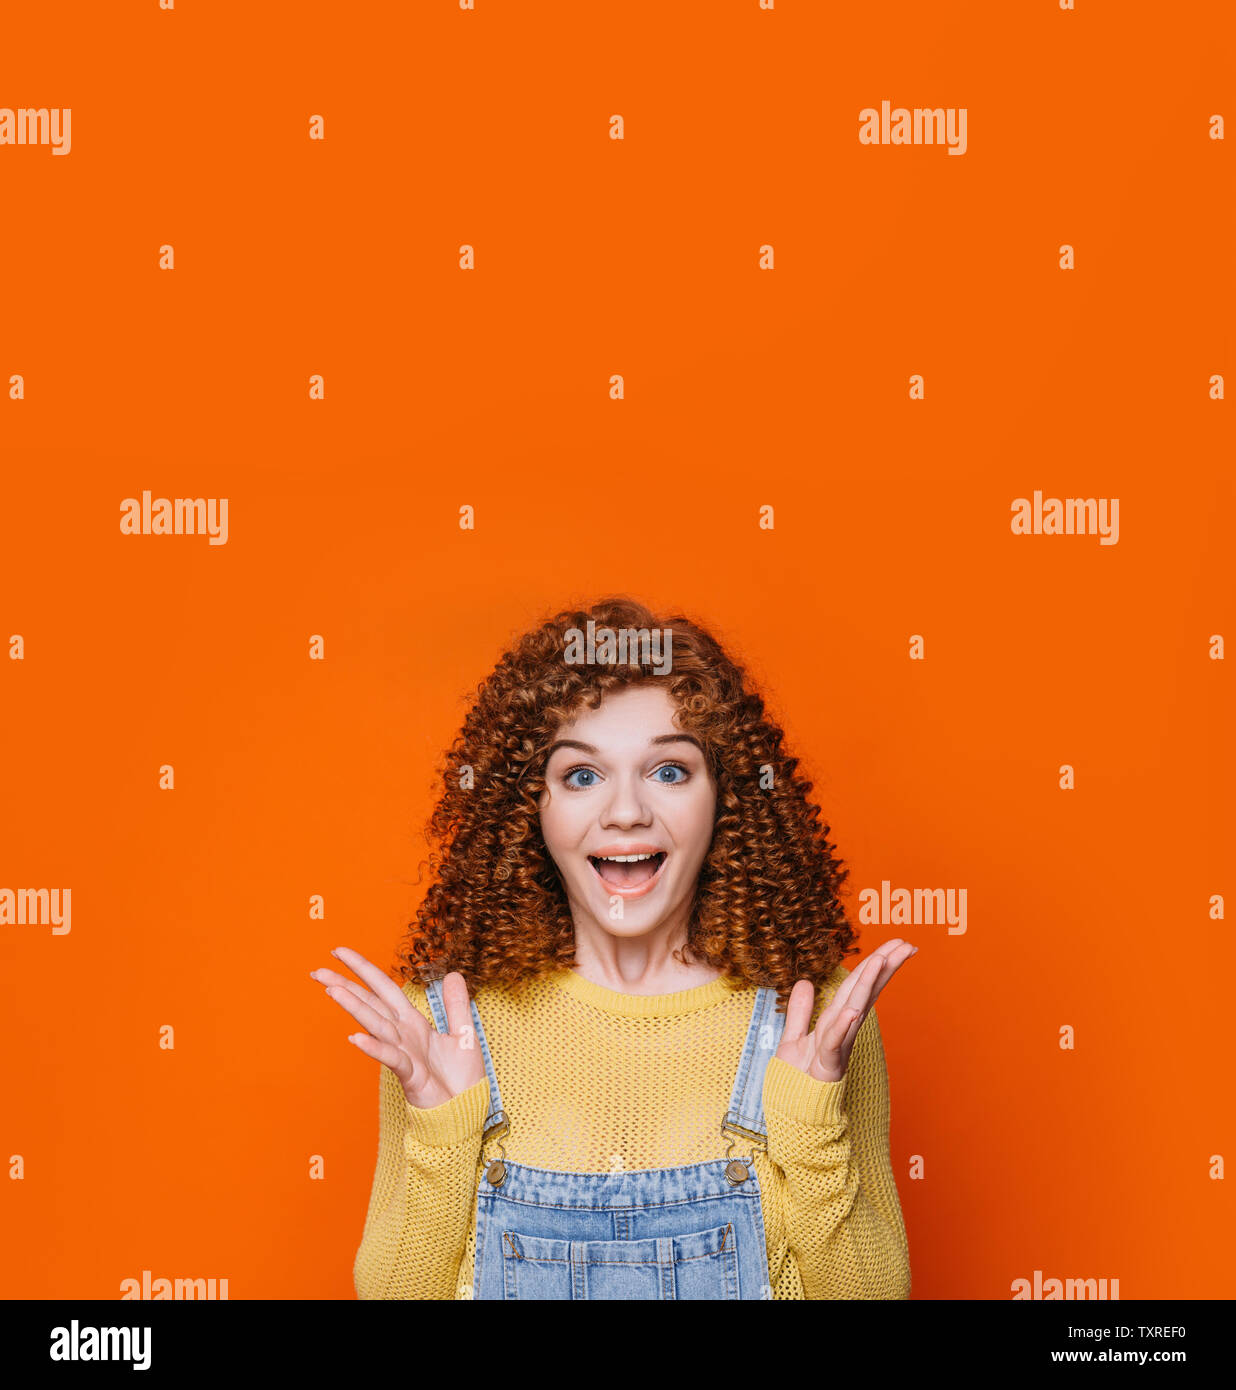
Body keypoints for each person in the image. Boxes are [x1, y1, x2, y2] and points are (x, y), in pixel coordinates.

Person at [311, 596, 915, 1300]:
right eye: (582, 776)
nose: (626, 810)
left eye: (669, 771)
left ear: (724, 799)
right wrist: (443, 1135)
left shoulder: (818, 1016)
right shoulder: (445, 1025)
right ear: (528, 807)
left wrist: (811, 1133)